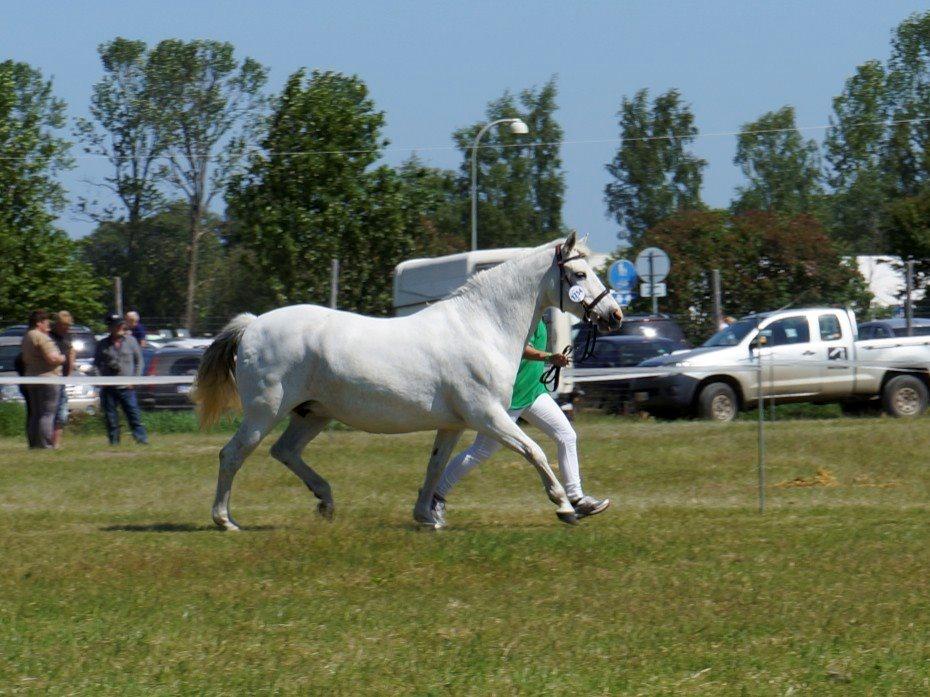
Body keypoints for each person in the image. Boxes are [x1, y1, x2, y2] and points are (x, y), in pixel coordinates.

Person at [431, 318, 609, 526]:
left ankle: (576, 498)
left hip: (534, 391)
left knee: (567, 435)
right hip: (511, 398)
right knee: (481, 450)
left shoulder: (540, 315)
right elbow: (521, 347)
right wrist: (549, 357)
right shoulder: (525, 316)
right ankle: (434, 496)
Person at [94, 313, 148, 446]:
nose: (119, 327)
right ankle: (114, 443)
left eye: (120, 324)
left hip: (127, 388)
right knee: (111, 418)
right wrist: (101, 382)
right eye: (115, 325)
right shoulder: (102, 344)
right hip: (109, 388)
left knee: (133, 415)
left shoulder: (131, 341)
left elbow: (139, 362)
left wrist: (134, 381)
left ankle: (141, 440)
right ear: (109, 327)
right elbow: (96, 365)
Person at [20, 309, 66, 449]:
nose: (48, 325)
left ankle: (34, 444)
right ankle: (45, 444)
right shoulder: (41, 337)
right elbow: (52, 358)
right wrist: (62, 358)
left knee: (36, 413)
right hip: (48, 379)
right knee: (47, 414)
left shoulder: (27, 336)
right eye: (46, 322)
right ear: (39, 322)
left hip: (31, 378)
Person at [49, 311, 76, 449]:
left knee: (62, 412)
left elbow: (72, 352)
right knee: (52, 411)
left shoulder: (68, 336)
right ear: (58, 324)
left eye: (68, 325)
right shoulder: (49, 337)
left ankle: (57, 443)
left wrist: (70, 373)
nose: (67, 328)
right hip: (52, 378)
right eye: (64, 325)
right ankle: (50, 441)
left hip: (63, 379)